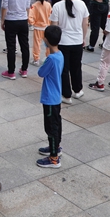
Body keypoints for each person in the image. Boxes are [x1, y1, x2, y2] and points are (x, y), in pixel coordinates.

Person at [50, 0, 89, 104]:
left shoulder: (57, 6)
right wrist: (83, 38)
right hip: (77, 41)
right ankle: (78, 90)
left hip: (62, 42)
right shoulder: (81, 4)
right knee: (76, 66)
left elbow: (54, 27)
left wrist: (53, 44)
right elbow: (85, 24)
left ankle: (66, 95)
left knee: (64, 69)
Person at [36, 25, 64, 169]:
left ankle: (54, 158)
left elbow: (41, 73)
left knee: (51, 128)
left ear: (45, 39)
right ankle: (56, 147)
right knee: (56, 124)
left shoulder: (51, 59)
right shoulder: (60, 55)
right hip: (56, 98)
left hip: (49, 98)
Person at [1, 0, 31, 80]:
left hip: (11, 20)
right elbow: (28, 6)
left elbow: (4, 7)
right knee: (25, 45)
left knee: (11, 46)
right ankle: (24, 69)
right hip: (23, 20)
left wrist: (2, 20)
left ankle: (11, 71)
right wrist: (26, 17)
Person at [29, 0, 52, 66]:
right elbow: (51, 15)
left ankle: (36, 59)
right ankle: (48, 57)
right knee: (48, 44)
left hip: (38, 27)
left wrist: (33, 23)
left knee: (36, 44)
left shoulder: (34, 5)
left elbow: (30, 16)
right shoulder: (48, 5)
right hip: (47, 27)